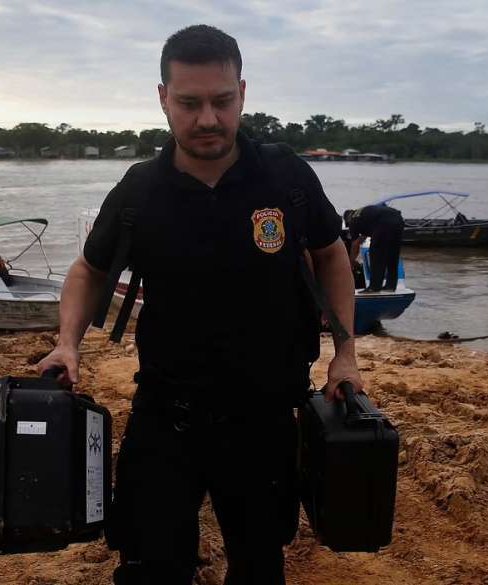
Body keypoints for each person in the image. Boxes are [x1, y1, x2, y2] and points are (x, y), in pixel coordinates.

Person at [37, 25, 361, 585]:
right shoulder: (140, 192)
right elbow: (88, 270)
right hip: (166, 416)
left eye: (222, 101)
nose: (207, 119)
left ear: (243, 92)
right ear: (162, 98)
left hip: (264, 418)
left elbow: (331, 255)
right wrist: (67, 344)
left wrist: (346, 353)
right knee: (151, 567)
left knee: (259, 565)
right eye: (189, 103)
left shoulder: (285, 177)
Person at [343, 204, 405, 292]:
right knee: (392, 255)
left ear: (347, 219)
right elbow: (363, 236)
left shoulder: (353, 220)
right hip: (398, 219)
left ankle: (374, 287)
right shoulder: (362, 214)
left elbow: (355, 244)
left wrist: (351, 262)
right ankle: (390, 286)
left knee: (376, 255)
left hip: (383, 223)